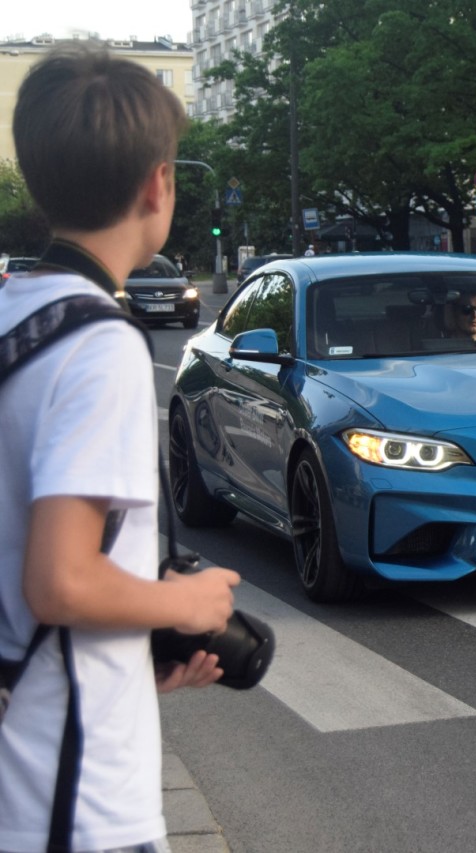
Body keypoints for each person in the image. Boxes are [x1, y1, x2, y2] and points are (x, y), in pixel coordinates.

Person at [1, 44, 240, 853]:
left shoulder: (15, 319)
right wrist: (188, 606)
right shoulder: (97, 345)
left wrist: (136, 662)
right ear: (157, 184)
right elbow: (61, 580)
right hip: (73, 800)